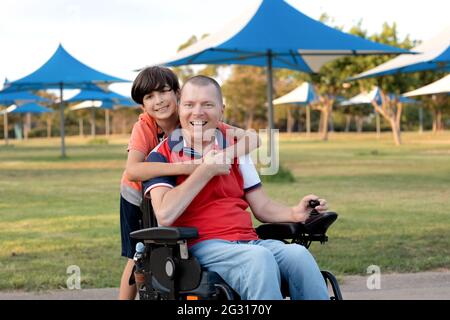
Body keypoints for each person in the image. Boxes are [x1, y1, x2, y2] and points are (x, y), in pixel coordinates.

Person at [143, 75, 330, 300]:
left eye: (207, 104)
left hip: (248, 241)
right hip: (201, 247)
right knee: (259, 258)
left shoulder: (236, 151)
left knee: (299, 255)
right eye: (189, 105)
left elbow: (262, 206)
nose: (197, 112)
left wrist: (294, 212)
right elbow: (164, 215)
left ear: (221, 110)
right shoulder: (160, 156)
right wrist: (205, 170)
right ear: (179, 108)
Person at [118, 67, 260, 300]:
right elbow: (133, 170)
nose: (159, 101)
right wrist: (194, 167)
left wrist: (228, 155)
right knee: (138, 256)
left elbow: (253, 138)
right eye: (149, 97)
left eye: (163, 92)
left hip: (171, 190)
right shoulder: (144, 126)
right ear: (143, 106)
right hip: (135, 195)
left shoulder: (195, 116)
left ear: (177, 93)